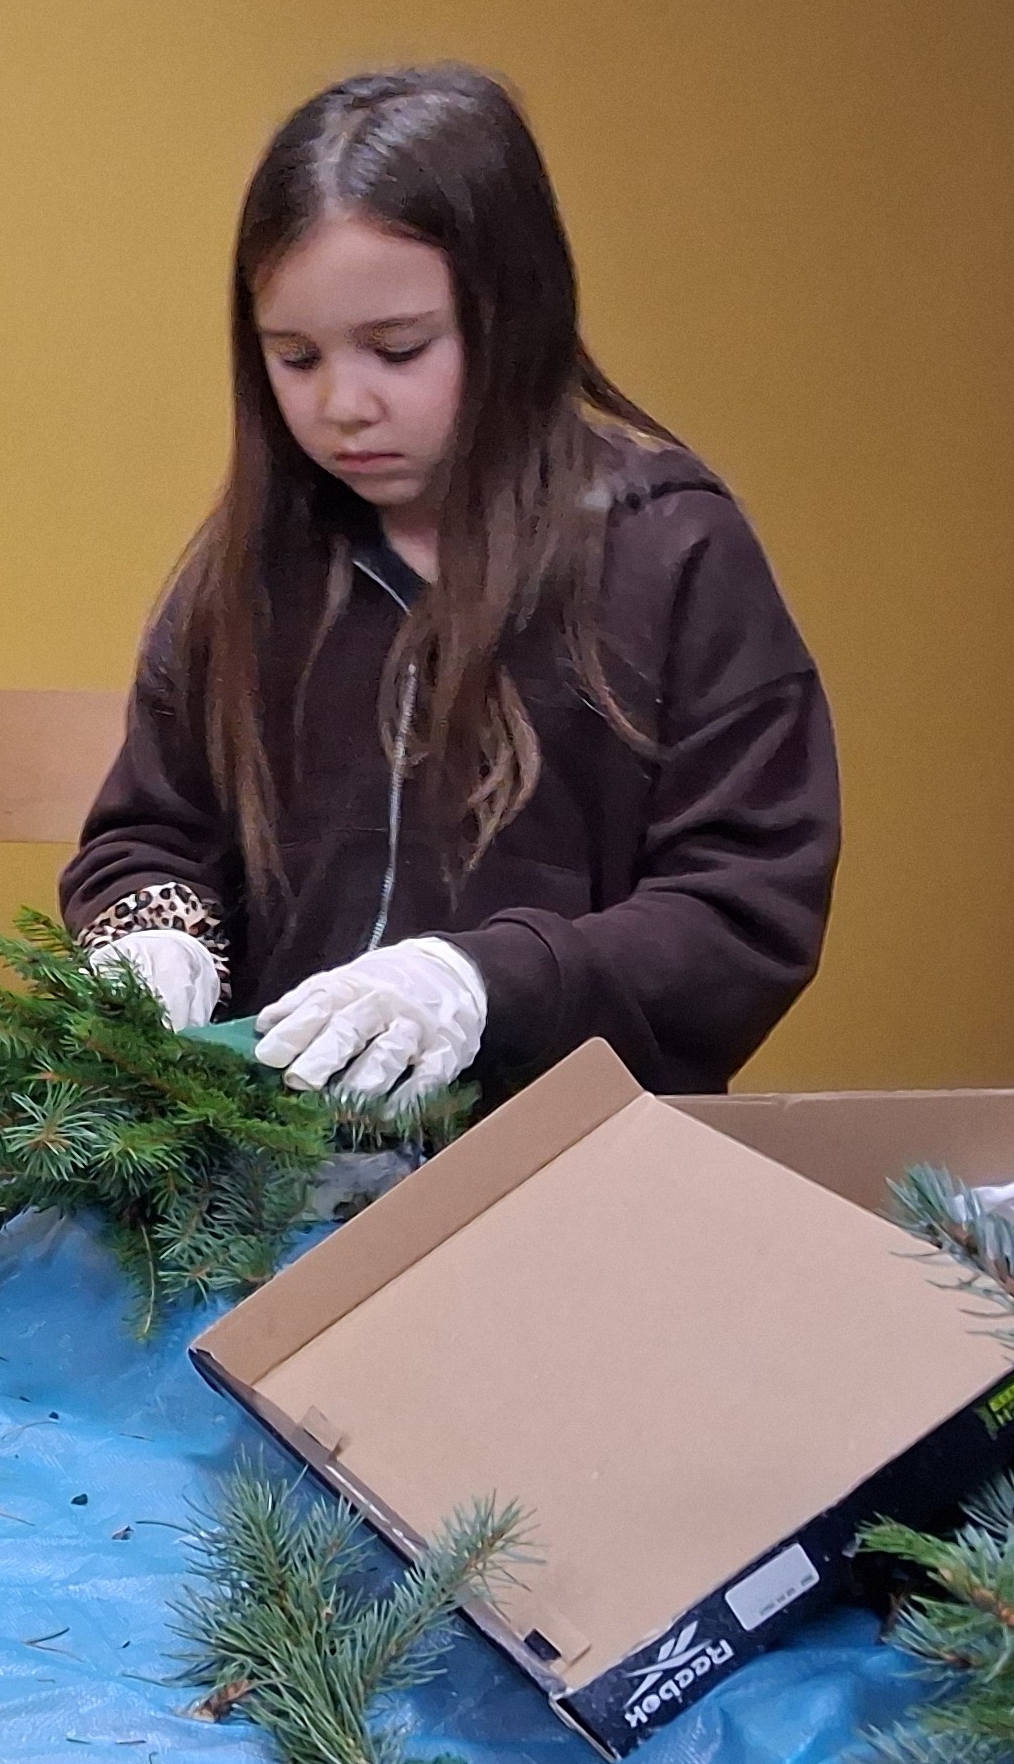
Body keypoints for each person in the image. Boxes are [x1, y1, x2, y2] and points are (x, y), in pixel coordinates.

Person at [62, 66, 839, 1111]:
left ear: (513, 316)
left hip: (569, 1152)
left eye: (398, 350)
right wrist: (153, 932)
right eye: (295, 357)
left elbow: (743, 912)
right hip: (268, 1158)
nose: (343, 404)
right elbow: (150, 833)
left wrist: (481, 983)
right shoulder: (250, 571)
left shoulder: (671, 554)